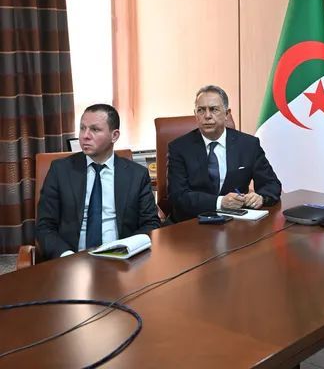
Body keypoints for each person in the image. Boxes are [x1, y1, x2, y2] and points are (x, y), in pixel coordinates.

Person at [36, 104, 161, 259]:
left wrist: (126, 249)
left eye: (94, 129)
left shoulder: (137, 175)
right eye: (82, 128)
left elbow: (150, 223)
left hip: (122, 260)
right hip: (71, 259)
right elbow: (44, 226)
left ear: (114, 136)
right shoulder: (60, 170)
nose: (85, 136)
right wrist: (67, 256)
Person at [167, 85, 281, 222]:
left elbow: (271, 184)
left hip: (235, 222)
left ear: (227, 113)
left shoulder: (248, 145)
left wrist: (260, 197)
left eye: (214, 109)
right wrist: (220, 202)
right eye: (201, 110)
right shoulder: (179, 148)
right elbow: (178, 196)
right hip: (192, 222)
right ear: (195, 114)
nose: (207, 116)